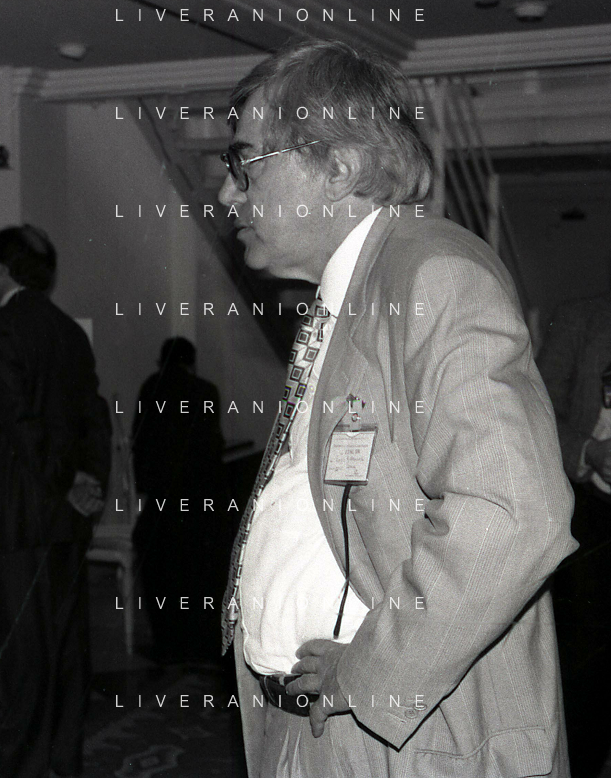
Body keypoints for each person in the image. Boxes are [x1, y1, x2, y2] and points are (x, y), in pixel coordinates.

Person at [216, 40, 576, 776]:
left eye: (245, 163)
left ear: (338, 168)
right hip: (314, 728)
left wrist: (370, 673)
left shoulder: (433, 273)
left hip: (398, 739)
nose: (228, 194)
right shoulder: (350, 293)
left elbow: (515, 512)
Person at [0, 224, 111, 778]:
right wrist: (89, 482)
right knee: (67, 649)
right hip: (67, 520)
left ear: (3, 270)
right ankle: (64, 761)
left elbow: (19, 421)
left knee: (23, 654)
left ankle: (23, 766)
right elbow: (94, 416)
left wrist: (66, 480)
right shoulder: (69, 331)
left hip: (16, 521)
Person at [539, 288, 611, 777]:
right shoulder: (579, 316)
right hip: (589, 513)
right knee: (585, 668)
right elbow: (536, 408)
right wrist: (589, 452)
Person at [131, 336, 228, 662]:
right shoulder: (206, 391)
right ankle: (199, 645)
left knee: (160, 575)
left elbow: (139, 443)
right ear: (192, 362)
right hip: (198, 502)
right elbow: (212, 446)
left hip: (162, 501)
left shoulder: (150, 387)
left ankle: (166, 644)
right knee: (199, 574)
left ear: (162, 361)